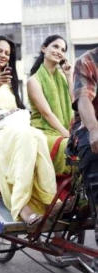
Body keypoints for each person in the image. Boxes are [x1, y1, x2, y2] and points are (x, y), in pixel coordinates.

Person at [0, 35, 64, 227]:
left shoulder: (10, 81)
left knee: (36, 135)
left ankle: (50, 200)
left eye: (7, 53)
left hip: (12, 126)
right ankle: (22, 207)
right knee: (25, 136)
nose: (3, 55)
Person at [27, 35, 74, 175]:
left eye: (63, 49)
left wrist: (69, 76)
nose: (59, 51)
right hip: (44, 132)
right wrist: (67, 135)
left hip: (66, 129)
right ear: (43, 48)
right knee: (71, 146)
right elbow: (46, 114)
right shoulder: (33, 81)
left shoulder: (63, 78)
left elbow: (74, 103)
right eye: (55, 46)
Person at [69, 47, 98, 217]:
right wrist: (94, 129)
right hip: (87, 125)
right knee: (94, 151)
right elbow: (84, 98)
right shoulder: (87, 61)